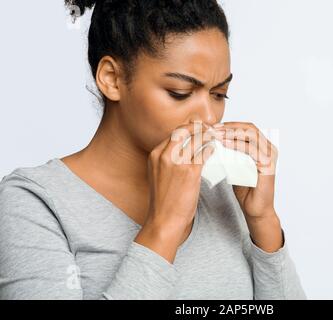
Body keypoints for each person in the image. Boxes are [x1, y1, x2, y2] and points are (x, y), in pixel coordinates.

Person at [0, 0, 306, 299]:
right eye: (180, 92)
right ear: (112, 78)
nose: (209, 118)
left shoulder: (218, 189)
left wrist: (263, 221)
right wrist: (164, 226)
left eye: (219, 94)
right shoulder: (33, 202)